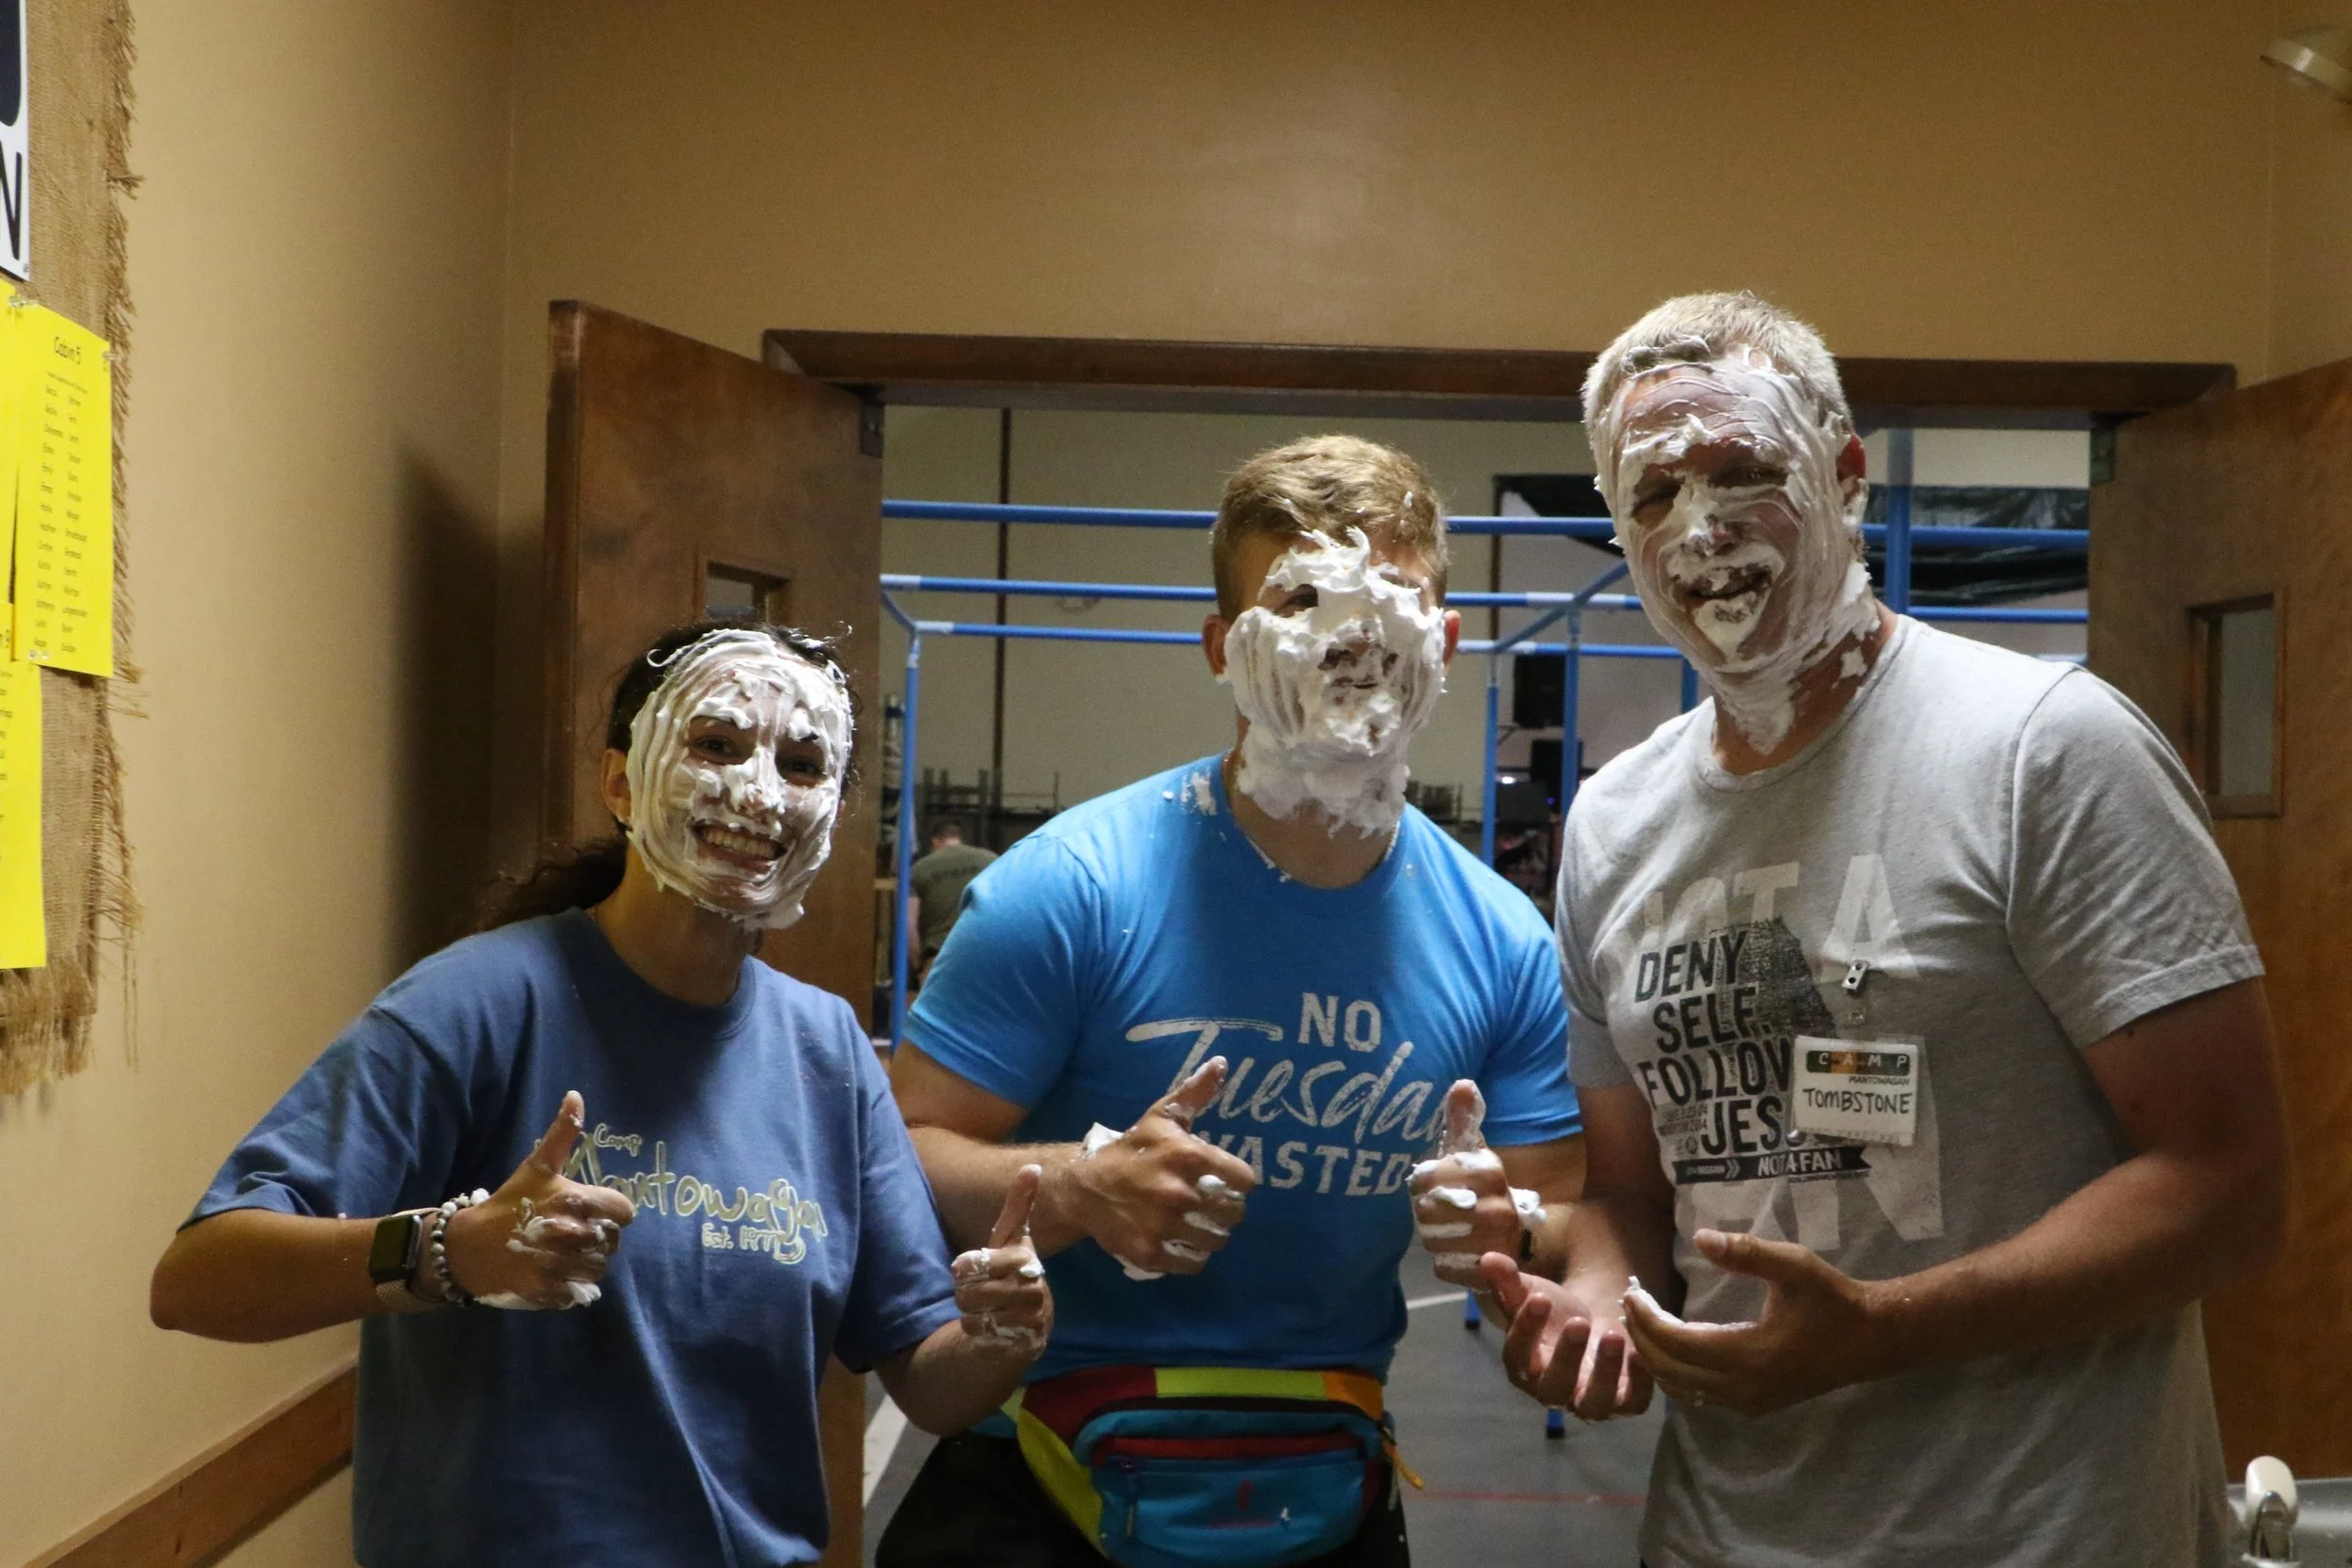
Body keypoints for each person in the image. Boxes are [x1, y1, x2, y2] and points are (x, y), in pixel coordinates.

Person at [1475, 293, 2288, 1567]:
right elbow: (1631, 1191)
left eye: (1743, 471)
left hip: (2043, 1534)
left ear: (1845, 475)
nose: (1700, 527)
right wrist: (1593, 1303)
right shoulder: (1613, 823)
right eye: (1654, 493)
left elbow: (2231, 1184)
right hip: (1720, 1533)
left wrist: (1885, 1325)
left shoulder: (2042, 750)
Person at [150, 622, 1055, 1568]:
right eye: (716, 744)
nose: (758, 792)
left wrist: (1004, 1334)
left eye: (800, 763)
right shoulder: (478, 1002)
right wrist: (448, 1250)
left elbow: (933, 1383)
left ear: (828, 811)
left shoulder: (826, 1050)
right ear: (618, 782)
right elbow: (197, 1277)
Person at [877, 436, 1586, 1568]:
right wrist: (1078, 1187)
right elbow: (899, 1153)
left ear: (1446, 642)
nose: (1354, 636)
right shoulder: (1071, 887)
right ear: (1222, 647)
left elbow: (1562, 1222)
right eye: (1303, 599)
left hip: (1325, 1473)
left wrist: (1517, 1236)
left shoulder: (1505, 940)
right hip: (1043, 1467)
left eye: (1393, 601)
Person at [910, 819, 995, 969]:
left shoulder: (919, 869)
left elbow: (908, 924)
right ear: (960, 838)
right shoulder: (991, 860)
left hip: (940, 955)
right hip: (986, 953)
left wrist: (918, 965)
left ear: (935, 841)